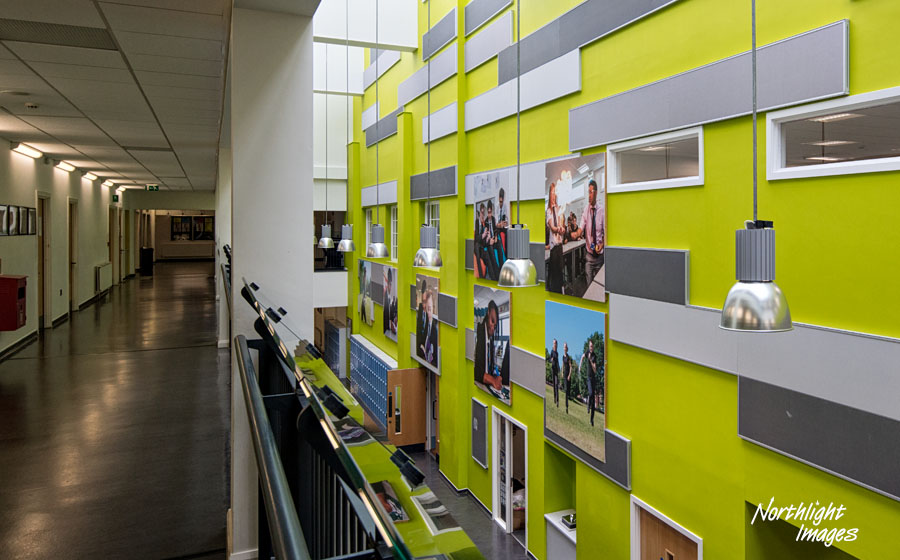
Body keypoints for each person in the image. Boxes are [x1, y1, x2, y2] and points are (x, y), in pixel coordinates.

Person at [474, 299, 509, 392]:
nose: (493, 327)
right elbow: (475, 370)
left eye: (495, 325)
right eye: (492, 321)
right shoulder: (479, 333)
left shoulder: (490, 341)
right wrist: (492, 380)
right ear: (488, 313)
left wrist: (496, 377)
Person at [577, 179, 604, 288]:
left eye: (591, 192)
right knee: (589, 287)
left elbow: (606, 234)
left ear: (596, 193)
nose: (589, 195)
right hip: (589, 257)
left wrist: (601, 245)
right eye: (588, 192)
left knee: (598, 288)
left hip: (599, 257)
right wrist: (576, 233)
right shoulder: (585, 210)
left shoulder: (602, 211)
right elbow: (581, 227)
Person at [545, 182, 565, 293]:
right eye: (552, 192)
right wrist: (558, 229)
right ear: (549, 194)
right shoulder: (548, 211)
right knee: (555, 276)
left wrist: (562, 229)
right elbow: (552, 227)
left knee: (560, 274)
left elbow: (562, 227)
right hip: (553, 249)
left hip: (560, 246)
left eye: (555, 192)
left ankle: (562, 294)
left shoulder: (559, 210)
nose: (554, 194)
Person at [579, 339, 600, 427]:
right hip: (588, 378)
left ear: (593, 347)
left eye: (592, 346)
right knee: (591, 394)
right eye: (590, 346)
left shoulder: (594, 356)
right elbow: (582, 356)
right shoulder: (587, 352)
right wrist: (580, 366)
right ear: (589, 346)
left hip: (593, 378)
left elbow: (595, 370)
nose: (591, 348)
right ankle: (588, 405)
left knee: (593, 397)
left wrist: (591, 361)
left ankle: (592, 420)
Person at [418, 290, 438, 366]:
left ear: (434, 308)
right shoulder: (426, 325)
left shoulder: (435, 330)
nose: (428, 313)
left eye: (430, 309)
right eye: (427, 309)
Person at [382, 268, 397, 337]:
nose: (391, 287)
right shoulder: (385, 297)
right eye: (390, 285)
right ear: (388, 284)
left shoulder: (388, 298)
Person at [549, 339, 560, 406]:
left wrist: (559, 368)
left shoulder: (557, 353)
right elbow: (550, 359)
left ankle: (558, 401)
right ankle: (555, 398)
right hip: (552, 369)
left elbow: (558, 361)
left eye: (555, 343)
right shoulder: (552, 351)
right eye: (553, 343)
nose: (554, 344)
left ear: (556, 344)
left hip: (556, 370)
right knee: (553, 385)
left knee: (556, 385)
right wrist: (551, 360)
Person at [562, 342, 572, 413]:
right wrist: (562, 372)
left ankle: (567, 405)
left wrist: (569, 375)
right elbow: (562, 365)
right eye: (564, 347)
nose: (565, 348)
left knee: (568, 391)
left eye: (565, 347)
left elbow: (571, 367)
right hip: (565, 375)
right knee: (565, 390)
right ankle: (566, 406)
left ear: (567, 349)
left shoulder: (568, 357)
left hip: (568, 375)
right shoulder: (563, 357)